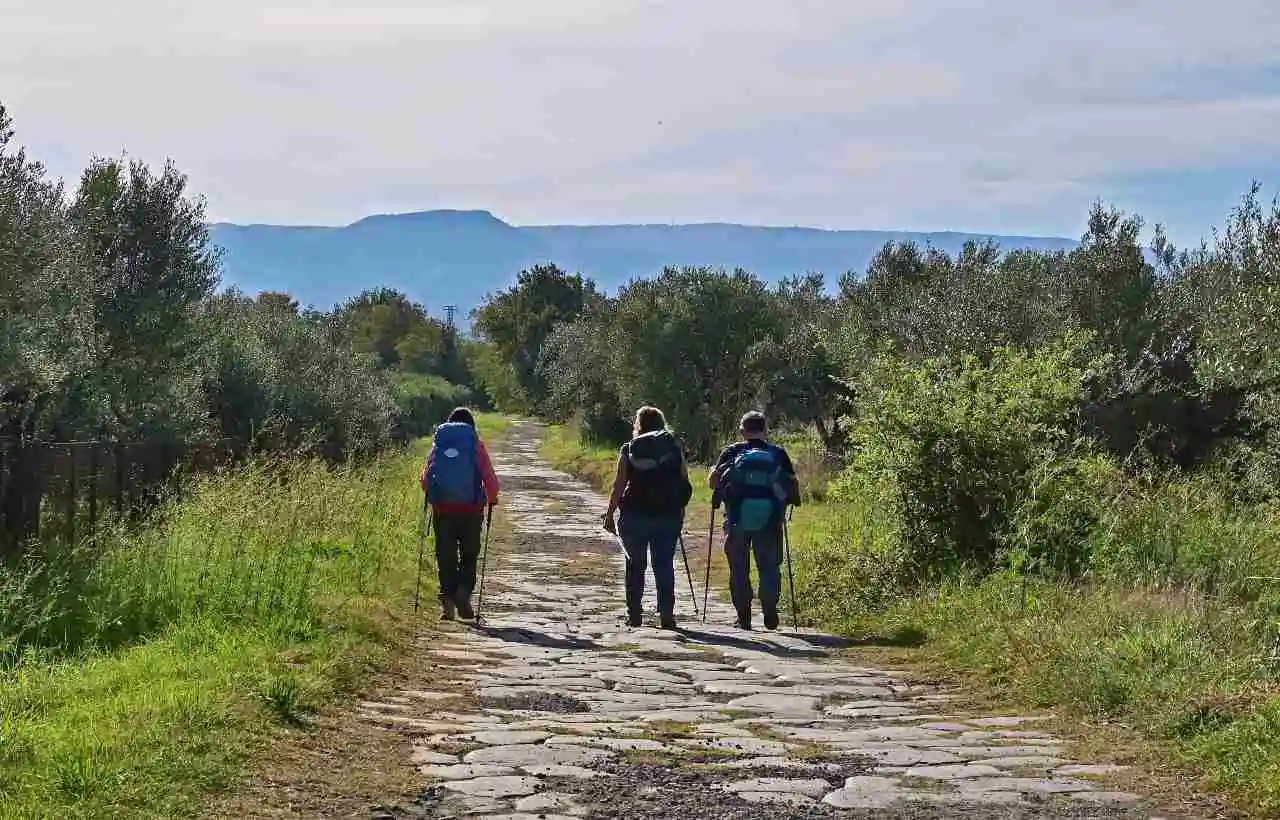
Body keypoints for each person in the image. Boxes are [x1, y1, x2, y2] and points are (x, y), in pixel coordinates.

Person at [602, 406, 693, 629]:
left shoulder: (629, 448)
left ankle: (634, 614)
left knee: (634, 565)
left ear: (638, 425)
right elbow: (684, 479)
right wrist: (680, 508)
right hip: (667, 514)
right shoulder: (673, 446)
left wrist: (610, 513)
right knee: (663, 564)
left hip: (634, 513)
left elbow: (619, 484)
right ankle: (667, 615)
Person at [709, 411, 800, 631]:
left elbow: (714, 483)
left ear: (742, 430)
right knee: (769, 566)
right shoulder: (777, 453)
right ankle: (769, 604)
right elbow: (791, 484)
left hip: (737, 519)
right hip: (770, 520)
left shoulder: (732, 451)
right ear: (765, 429)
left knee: (739, 568)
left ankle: (744, 616)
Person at [421, 407, 500, 621]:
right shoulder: (476, 445)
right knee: (469, 555)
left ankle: (447, 603)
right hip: (471, 512)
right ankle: (463, 593)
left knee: (445, 556)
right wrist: (492, 498)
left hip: (443, 510)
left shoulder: (439, 445)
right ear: (471, 425)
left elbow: (426, 479)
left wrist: (432, 494)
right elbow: (489, 477)